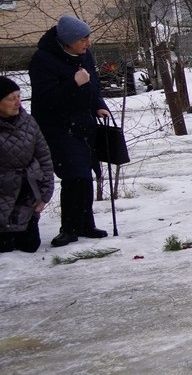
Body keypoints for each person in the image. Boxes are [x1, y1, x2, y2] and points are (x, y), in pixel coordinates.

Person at [28, 14, 111, 246]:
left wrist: (99, 106)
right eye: (83, 39)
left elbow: (93, 86)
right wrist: (74, 83)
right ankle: (70, 228)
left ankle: (86, 225)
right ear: (68, 40)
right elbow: (46, 99)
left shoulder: (84, 56)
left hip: (84, 125)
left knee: (84, 174)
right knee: (74, 174)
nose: (88, 43)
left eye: (88, 38)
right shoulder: (43, 60)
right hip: (57, 127)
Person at [0, 76, 55, 252]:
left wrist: (44, 195)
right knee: (5, 247)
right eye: (11, 98)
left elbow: (44, 158)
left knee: (30, 246)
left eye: (18, 96)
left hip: (26, 193)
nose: (17, 102)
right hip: (2, 192)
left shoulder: (28, 122)